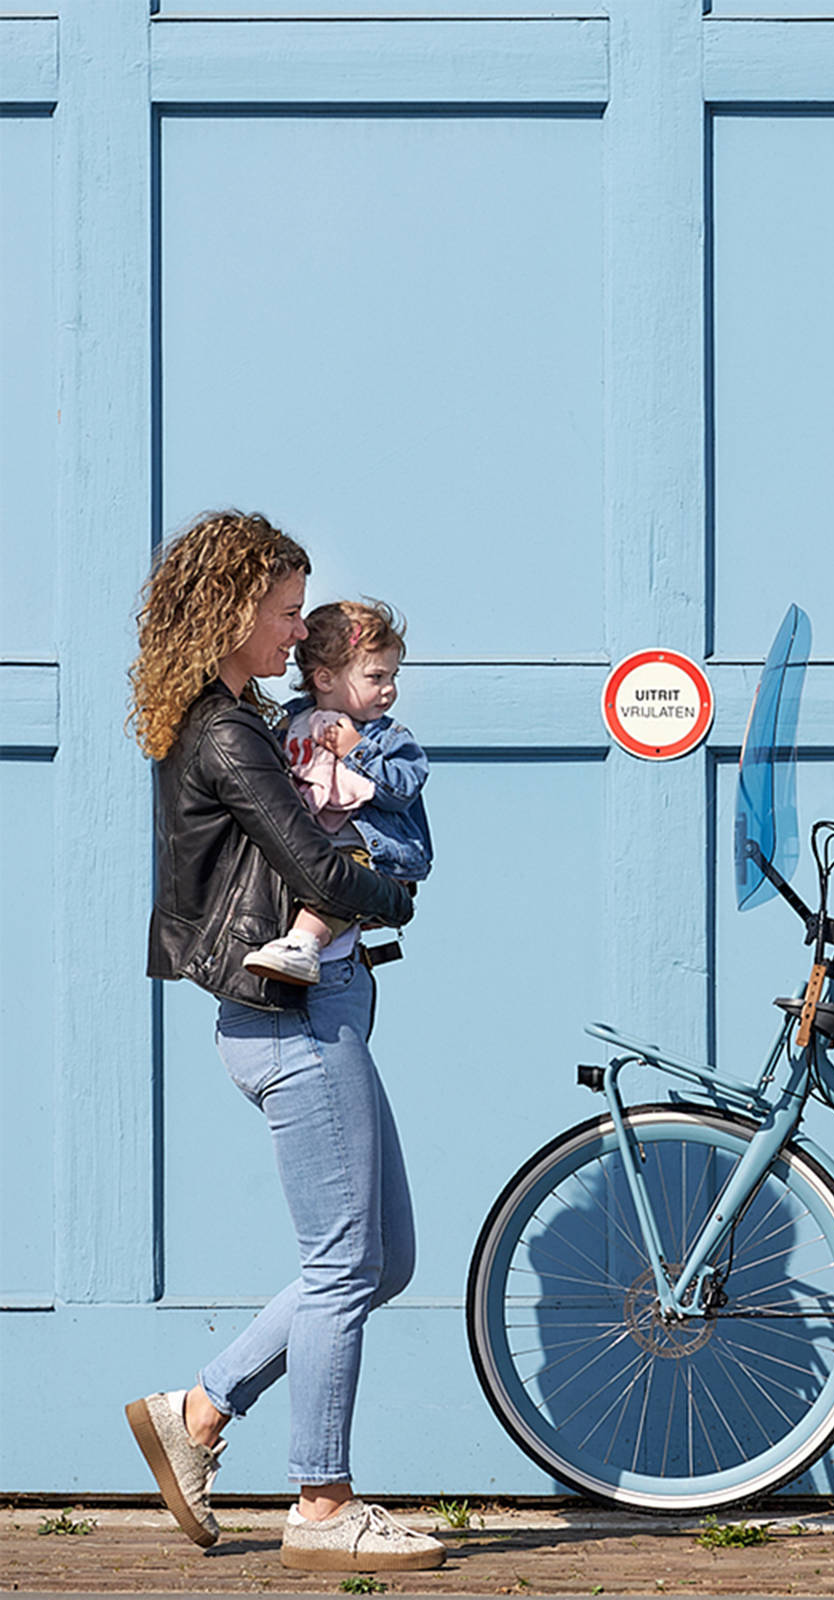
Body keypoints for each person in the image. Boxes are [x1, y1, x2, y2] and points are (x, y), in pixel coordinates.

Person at [123, 510, 445, 1575]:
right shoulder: (227, 734)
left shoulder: (249, 718)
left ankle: (199, 1412)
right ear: (231, 612)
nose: (297, 632)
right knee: (344, 1264)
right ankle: (321, 1497)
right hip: (290, 1018)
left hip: (325, 1008)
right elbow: (318, 869)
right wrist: (400, 886)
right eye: (285, 612)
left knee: (380, 1257)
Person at [244, 598, 432, 987]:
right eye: (376, 677)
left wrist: (354, 751)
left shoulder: (388, 737)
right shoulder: (292, 724)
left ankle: (303, 944)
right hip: (307, 847)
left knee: (341, 876)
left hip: (364, 852)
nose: (389, 690)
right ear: (326, 679)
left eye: (393, 677)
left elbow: (402, 789)